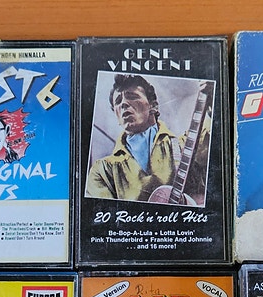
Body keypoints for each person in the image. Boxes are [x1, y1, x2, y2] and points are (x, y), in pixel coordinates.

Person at [86, 74, 210, 205]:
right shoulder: (103, 171)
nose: (123, 104)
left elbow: (212, 141)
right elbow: (104, 212)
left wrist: (212, 105)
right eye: (117, 102)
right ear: (117, 116)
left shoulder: (184, 145)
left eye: (132, 96)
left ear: (153, 106)